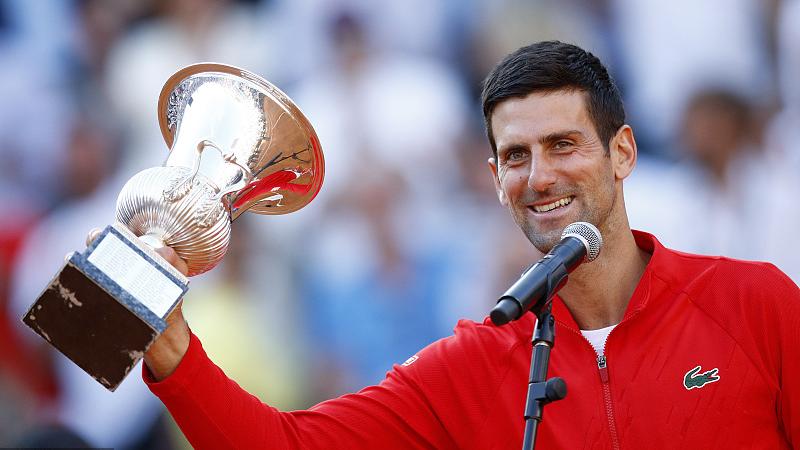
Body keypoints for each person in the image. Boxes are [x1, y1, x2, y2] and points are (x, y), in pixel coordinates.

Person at [100, 41, 799, 449]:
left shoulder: (754, 303)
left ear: (623, 153)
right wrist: (171, 350)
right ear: (495, 180)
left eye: (564, 144)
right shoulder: (473, 364)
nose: (540, 175)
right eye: (517, 156)